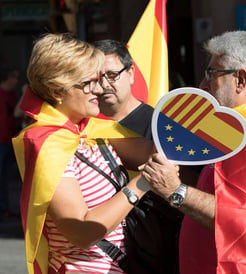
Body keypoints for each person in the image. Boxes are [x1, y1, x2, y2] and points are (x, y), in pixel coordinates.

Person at [140, 30, 246, 273]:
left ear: (240, 79)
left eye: (211, 74)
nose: (202, 85)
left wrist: (175, 191)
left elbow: (243, 215)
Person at [12, 33, 154, 274]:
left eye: (98, 79)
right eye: (87, 83)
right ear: (57, 91)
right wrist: (141, 184)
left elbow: (155, 152)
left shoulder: (89, 129)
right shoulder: (51, 145)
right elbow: (82, 232)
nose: (98, 89)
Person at [93, 39, 186, 274]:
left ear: (131, 72)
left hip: (160, 254)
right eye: (95, 78)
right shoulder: (80, 128)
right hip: (103, 256)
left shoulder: (165, 129)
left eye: (112, 75)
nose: (104, 85)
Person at [0, 66, 20, 218]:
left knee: (5, 177)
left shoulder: (12, 95)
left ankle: (4, 208)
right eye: (15, 77)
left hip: (8, 141)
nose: (17, 81)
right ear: (7, 78)